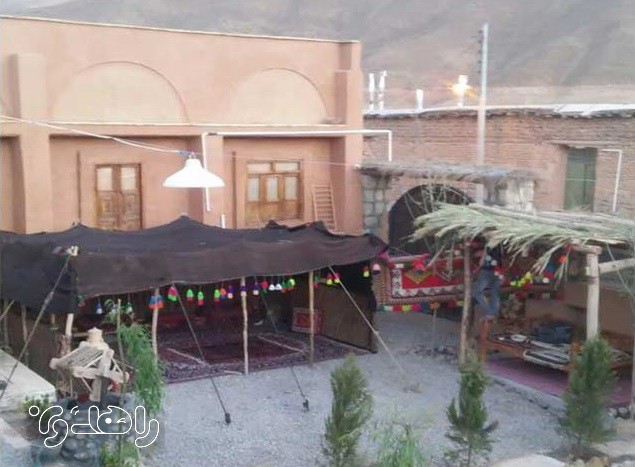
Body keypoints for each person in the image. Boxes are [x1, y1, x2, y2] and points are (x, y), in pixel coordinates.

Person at [472, 243, 504, 323]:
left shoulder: (490, 244)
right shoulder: (500, 244)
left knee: (477, 292)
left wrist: (481, 255)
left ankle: (490, 313)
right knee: (495, 292)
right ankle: (493, 315)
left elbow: (483, 259)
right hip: (498, 270)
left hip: (488, 270)